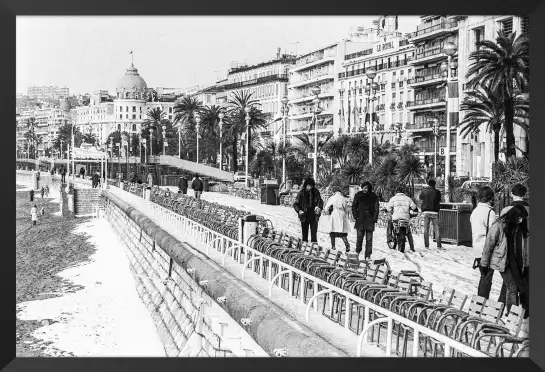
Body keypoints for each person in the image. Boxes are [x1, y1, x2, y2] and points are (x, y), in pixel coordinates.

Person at [481, 204, 529, 316]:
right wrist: (484, 263)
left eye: (523, 218)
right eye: (519, 218)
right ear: (514, 216)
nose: (521, 220)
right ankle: (512, 315)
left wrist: (526, 265)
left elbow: (524, 249)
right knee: (512, 287)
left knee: (518, 287)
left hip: (517, 262)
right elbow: (489, 245)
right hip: (503, 262)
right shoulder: (498, 225)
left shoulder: (521, 227)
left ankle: (510, 311)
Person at [470, 186, 496, 299]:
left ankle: (479, 303)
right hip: (487, 250)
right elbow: (493, 234)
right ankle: (482, 303)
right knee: (487, 279)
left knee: (483, 276)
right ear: (490, 198)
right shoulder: (490, 212)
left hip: (477, 248)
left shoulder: (475, 211)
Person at [352, 181, 380, 259]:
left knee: (369, 240)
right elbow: (354, 206)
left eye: (366, 188)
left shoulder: (374, 196)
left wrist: (374, 218)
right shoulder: (358, 195)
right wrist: (356, 216)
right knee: (359, 238)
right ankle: (357, 252)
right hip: (360, 219)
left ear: (369, 188)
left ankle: (368, 256)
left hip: (370, 220)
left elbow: (376, 208)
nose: (365, 189)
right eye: (363, 188)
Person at [386, 185, 418, 253]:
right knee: (408, 231)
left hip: (396, 218)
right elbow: (414, 207)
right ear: (403, 192)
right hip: (406, 218)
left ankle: (389, 238)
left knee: (389, 222)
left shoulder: (393, 198)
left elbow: (388, 208)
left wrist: (391, 210)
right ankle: (412, 247)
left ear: (396, 191)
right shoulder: (408, 198)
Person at [293, 178, 323, 243]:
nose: (310, 187)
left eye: (311, 186)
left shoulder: (316, 192)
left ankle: (314, 248)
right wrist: (299, 210)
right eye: (309, 186)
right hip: (304, 215)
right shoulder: (301, 193)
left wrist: (319, 208)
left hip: (314, 215)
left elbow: (320, 202)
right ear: (306, 185)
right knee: (304, 234)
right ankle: (304, 247)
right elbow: (295, 204)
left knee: (314, 234)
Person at [324, 186, 351, 252]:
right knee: (342, 231)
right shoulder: (343, 198)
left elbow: (326, 207)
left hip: (335, 214)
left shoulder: (332, 198)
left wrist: (327, 212)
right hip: (342, 214)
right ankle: (347, 244)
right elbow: (346, 208)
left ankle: (333, 246)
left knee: (332, 231)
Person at [419, 178, 442, 250]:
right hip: (434, 212)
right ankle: (438, 246)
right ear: (435, 185)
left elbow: (420, 197)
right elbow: (439, 200)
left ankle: (426, 246)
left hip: (426, 212)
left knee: (426, 229)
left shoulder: (425, 191)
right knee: (436, 228)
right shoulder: (437, 192)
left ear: (429, 184)